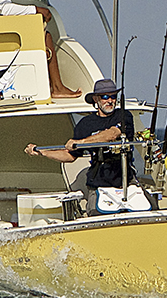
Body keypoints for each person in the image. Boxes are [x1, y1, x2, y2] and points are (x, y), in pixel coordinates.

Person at [24, 78, 140, 214]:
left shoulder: (124, 116)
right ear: (96, 99)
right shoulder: (85, 124)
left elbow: (112, 134)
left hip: (126, 182)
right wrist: (42, 152)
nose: (110, 100)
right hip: (98, 184)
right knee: (95, 214)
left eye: (113, 96)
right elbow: (70, 155)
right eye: (105, 97)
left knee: (143, 210)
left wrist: (81, 142)